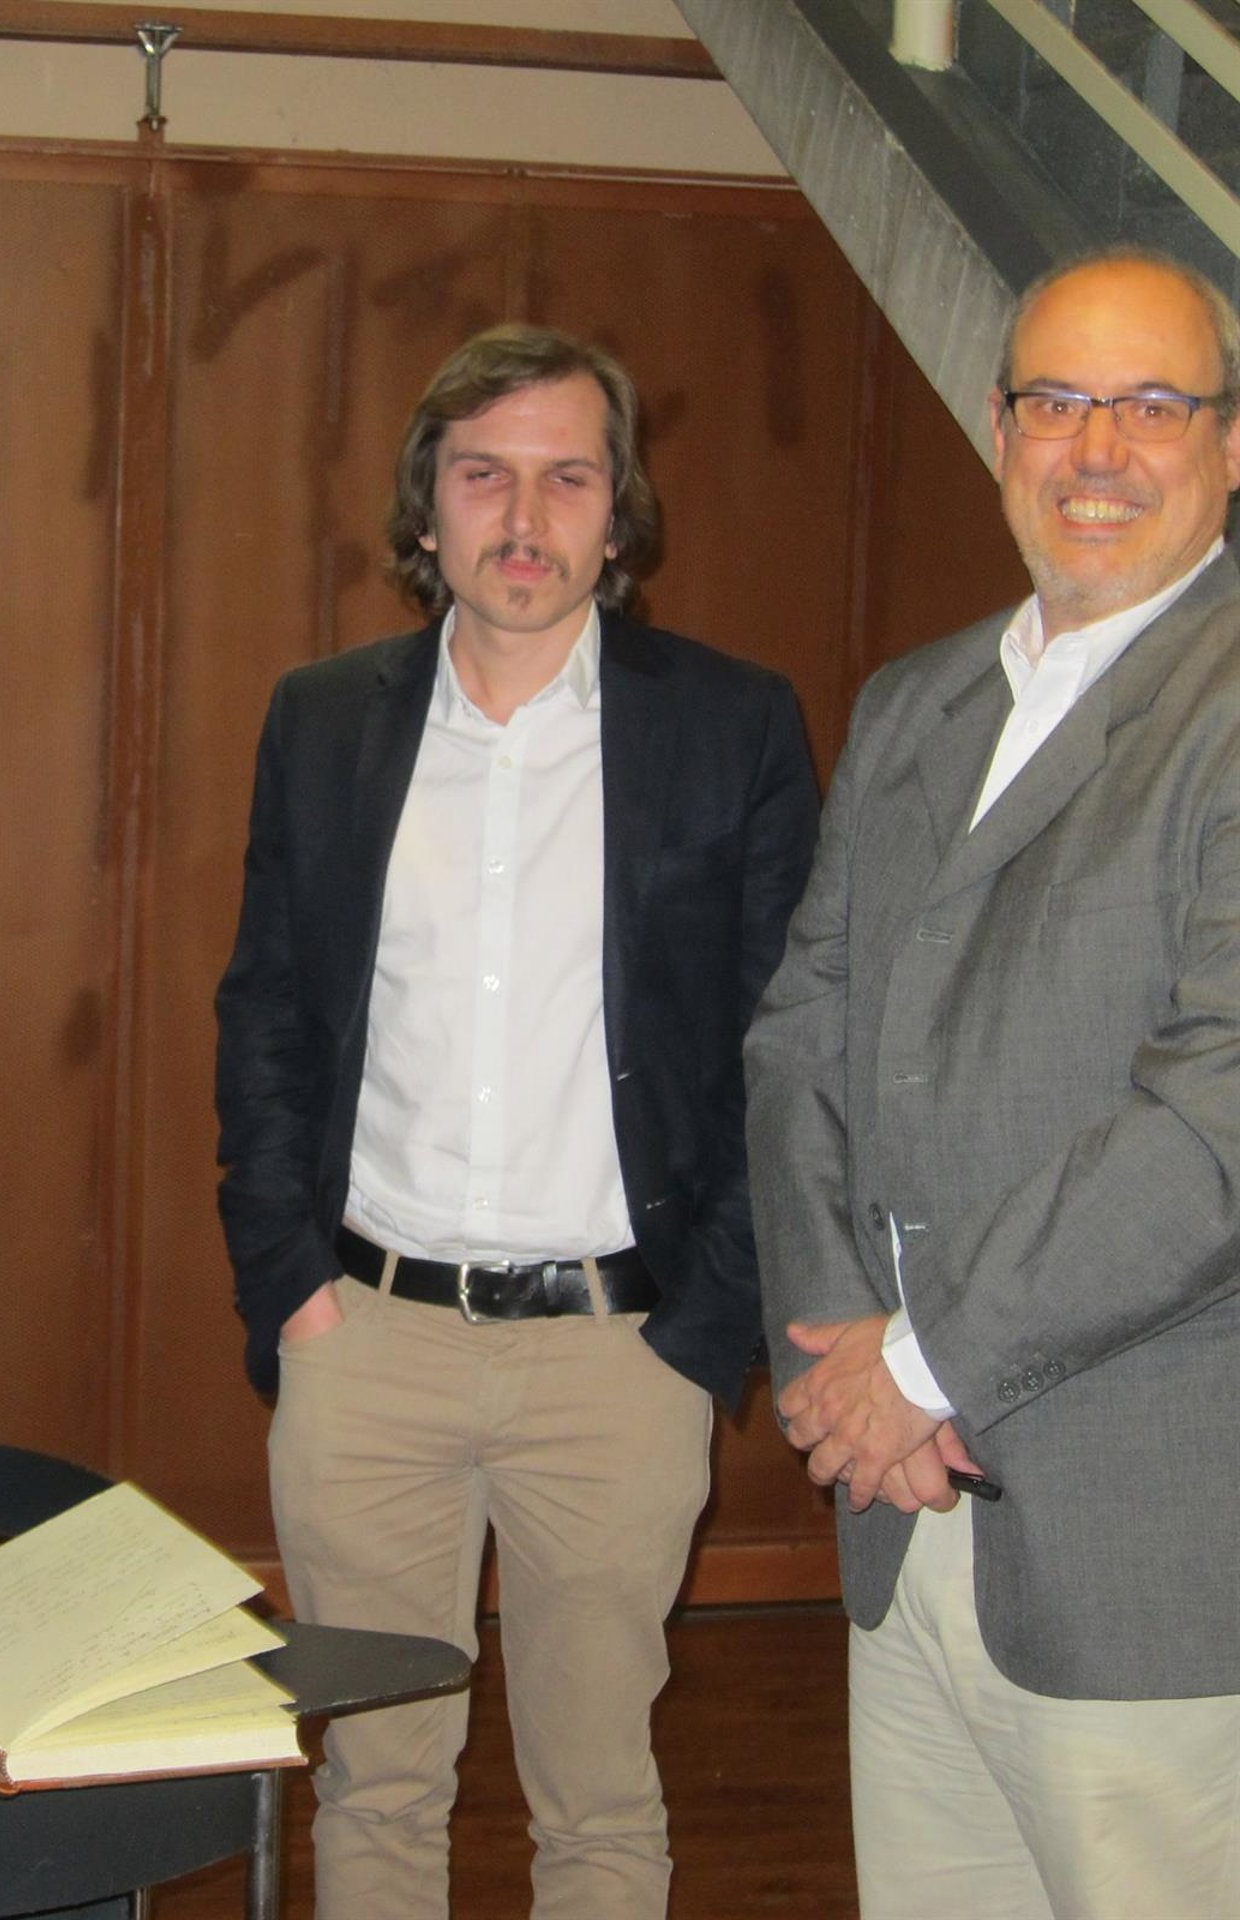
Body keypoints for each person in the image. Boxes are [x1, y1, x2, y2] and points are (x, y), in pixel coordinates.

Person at [214, 323, 819, 1918]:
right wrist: (288, 1282)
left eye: (570, 479)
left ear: (620, 517)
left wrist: (702, 1331)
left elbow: (786, 1046)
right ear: (428, 508)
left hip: (619, 1356)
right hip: (367, 1338)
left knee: (600, 1802)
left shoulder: (732, 727)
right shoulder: (323, 720)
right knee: (374, 1786)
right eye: (485, 476)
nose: (527, 519)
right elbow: (266, 1012)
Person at [745, 247, 1240, 1920]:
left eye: (1152, 404)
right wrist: (841, 1354)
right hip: (905, 1519)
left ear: (1231, 441)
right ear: (1000, 425)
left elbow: (1215, 1127)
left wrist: (919, 1363)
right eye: (1057, 402)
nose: (1097, 449)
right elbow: (801, 1034)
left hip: (1148, 1561)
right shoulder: (916, 705)